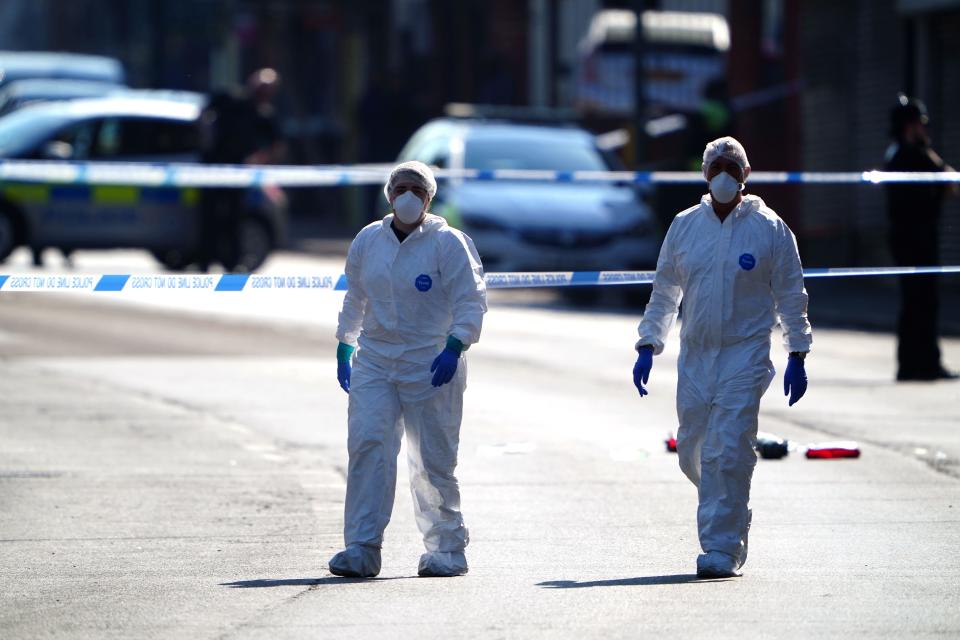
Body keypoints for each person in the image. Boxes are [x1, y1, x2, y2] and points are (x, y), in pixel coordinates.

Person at [632, 136, 812, 579]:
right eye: (716, 167)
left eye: (732, 167)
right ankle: (730, 505)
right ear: (704, 174)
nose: (724, 175)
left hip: (745, 355)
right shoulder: (685, 226)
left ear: (746, 174)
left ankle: (722, 546)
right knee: (693, 449)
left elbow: (791, 294)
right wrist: (647, 344)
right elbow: (664, 293)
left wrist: (798, 350)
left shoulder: (770, 229)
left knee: (727, 449)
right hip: (695, 356)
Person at [330, 161, 487, 578]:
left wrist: (455, 346)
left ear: (430, 198)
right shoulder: (368, 240)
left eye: (417, 189)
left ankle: (447, 549)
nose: (408, 196)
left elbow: (471, 300)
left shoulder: (448, 243)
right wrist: (345, 343)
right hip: (377, 361)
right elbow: (355, 296)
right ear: (388, 193)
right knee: (368, 449)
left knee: (432, 459)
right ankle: (362, 548)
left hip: (430, 362)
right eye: (401, 187)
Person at [884, 93, 957, 381]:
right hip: (916, 239)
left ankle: (913, 363)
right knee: (922, 301)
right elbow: (950, 181)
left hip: (907, 238)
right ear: (909, 126)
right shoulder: (913, 155)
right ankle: (924, 363)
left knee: (915, 301)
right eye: (920, 125)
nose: (924, 130)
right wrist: (929, 151)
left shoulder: (896, 154)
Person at [197, 68, 285, 271]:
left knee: (234, 218)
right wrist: (204, 139)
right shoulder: (229, 98)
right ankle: (205, 261)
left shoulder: (263, 114)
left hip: (238, 175)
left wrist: (260, 160)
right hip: (212, 170)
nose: (264, 93)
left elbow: (277, 144)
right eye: (262, 88)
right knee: (209, 217)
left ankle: (231, 262)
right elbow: (202, 114)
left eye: (269, 90)